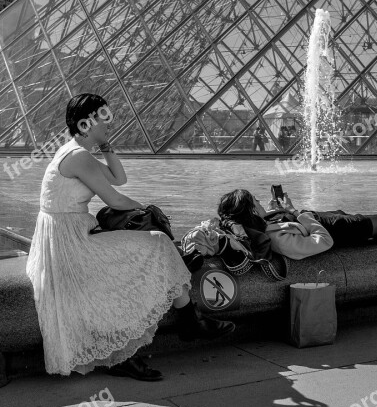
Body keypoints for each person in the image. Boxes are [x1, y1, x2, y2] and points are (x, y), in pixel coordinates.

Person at [26, 94, 235, 382]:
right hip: (70, 244)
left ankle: (184, 324)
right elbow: (114, 198)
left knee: (150, 249)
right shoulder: (77, 157)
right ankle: (186, 322)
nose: (110, 121)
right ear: (86, 123)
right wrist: (147, 208)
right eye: (104, 117)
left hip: (70, 235)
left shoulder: (77, 151)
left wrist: (104, 143)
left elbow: (118, 177)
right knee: (158, 243)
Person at [217, 189, 377, 260]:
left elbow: (291, 221)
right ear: (250, 210)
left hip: (334, 219)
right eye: (257, 201)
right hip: (341, 231)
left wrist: (283, 209)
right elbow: (323, 242)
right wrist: (299, 214)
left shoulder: (264, 222)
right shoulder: (276, 239)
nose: (261, 202)